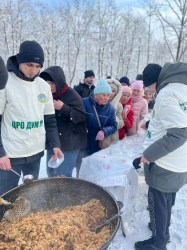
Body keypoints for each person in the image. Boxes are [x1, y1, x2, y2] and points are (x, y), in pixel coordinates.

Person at [134, 62, 187, 250]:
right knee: (168, 198)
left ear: (156, 81)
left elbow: (179, 133)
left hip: (165, 161)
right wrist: (150, 124)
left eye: (150, 86)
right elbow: (171, 120)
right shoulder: (183, 89)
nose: (151, 91)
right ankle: (163, 229)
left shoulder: (166, 93)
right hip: (180, 160)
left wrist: (148, 154)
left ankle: (158, 241)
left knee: (157, 199)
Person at [0, 40, 62, 196]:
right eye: (29, 64)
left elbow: (50, 120)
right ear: (19, 60)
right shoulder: (5, 83)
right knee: (7, 195)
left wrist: (55, 144)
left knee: (32, 194)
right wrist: (1, 153)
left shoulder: (43, 86)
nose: (33, 70)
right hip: (11, 153)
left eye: (37, 66)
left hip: (35, 150)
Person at [40, 66, 87, 177]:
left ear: (59, 81)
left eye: (52, 82)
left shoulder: (72, 95)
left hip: (70, 142)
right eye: (46, 82)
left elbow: (82, 116)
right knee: (51, 172)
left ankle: (66, 194)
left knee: (64, 175)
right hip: (53, 141)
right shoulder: (45, 95)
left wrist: (63, 108)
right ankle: (51, 194)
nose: (49, 86)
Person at [76, 79, 117, 170]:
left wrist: (104, 131)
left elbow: (114, 126)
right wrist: (81, 127)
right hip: (81, 144)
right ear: (96, 94)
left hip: (96, 146)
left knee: (93, 170)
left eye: (108, 95)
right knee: (80, 168)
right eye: (104, 95)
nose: (107, 98)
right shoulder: (84, 102)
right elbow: (75, 117)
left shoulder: (110, 109)